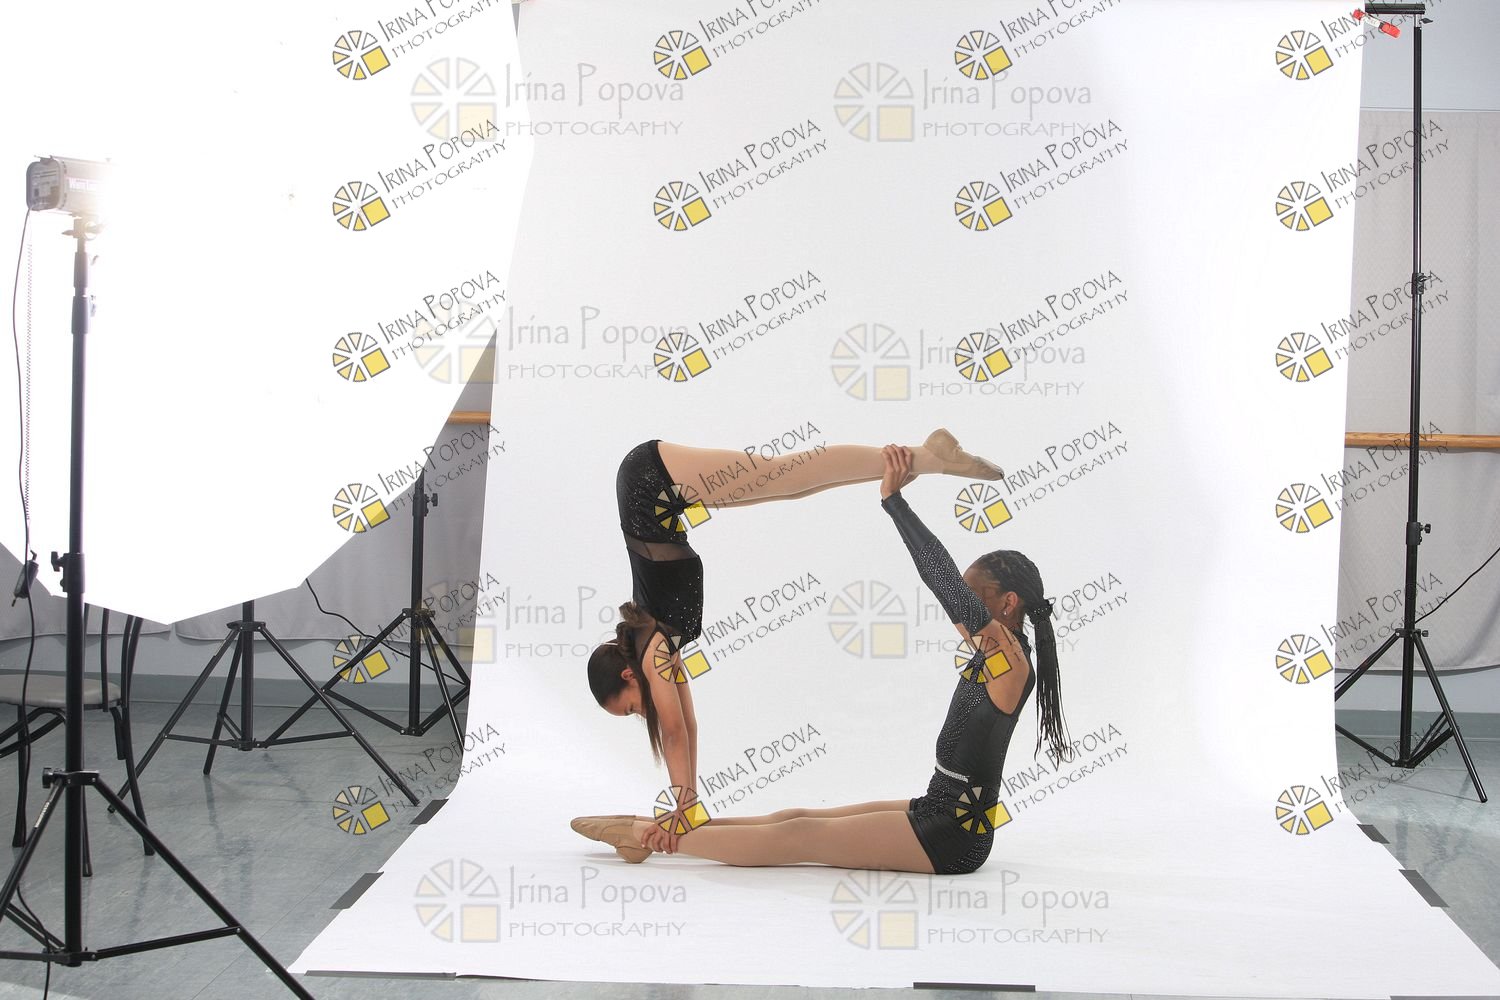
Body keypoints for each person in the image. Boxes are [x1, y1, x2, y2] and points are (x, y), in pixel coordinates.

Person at [573, 445, 1069, 874]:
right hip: (939, 807)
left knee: (799, 839)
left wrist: (895, 503)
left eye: (975, 594)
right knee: (796, 818)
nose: (965, 605)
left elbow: (943, 587)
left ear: (1008, 604)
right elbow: (953, 594)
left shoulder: (1009, 660)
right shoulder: (996, 653)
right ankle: (664, 827)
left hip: (954, 835)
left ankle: (647, 837)